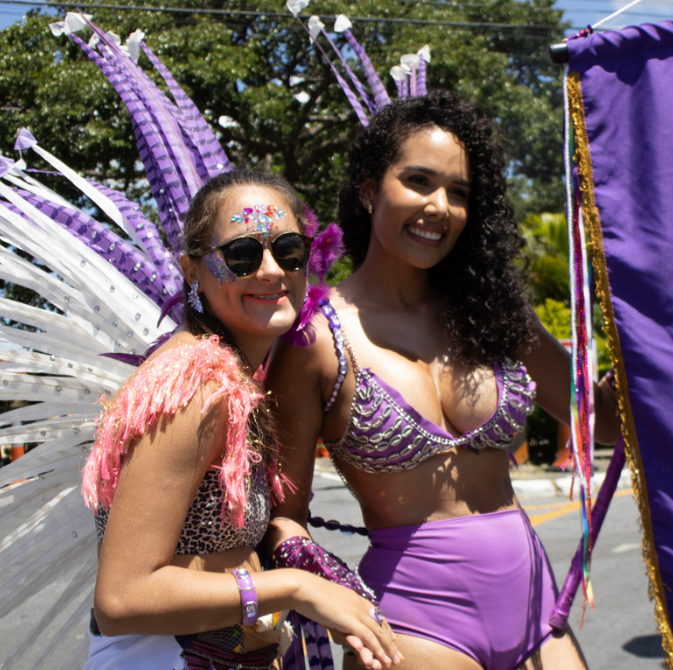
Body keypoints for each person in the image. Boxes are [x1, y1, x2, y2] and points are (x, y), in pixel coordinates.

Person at [267, 91, 620, 670]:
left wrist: (645, 327)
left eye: (459, 192)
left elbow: (599, 420)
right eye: (419, 182)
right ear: (367, 189)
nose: (440, 206)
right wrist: (319, 594)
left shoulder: (495, 314)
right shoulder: (314, 337)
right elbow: (285, 513)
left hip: (536, 614)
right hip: (414, 628)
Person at [82, 170, 401, 670]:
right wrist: (296, 588)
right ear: (192, 270)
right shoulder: (197, 386)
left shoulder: (234, 376)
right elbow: (123, 597)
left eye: (289, 250)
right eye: (243, 255)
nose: (272, 270)